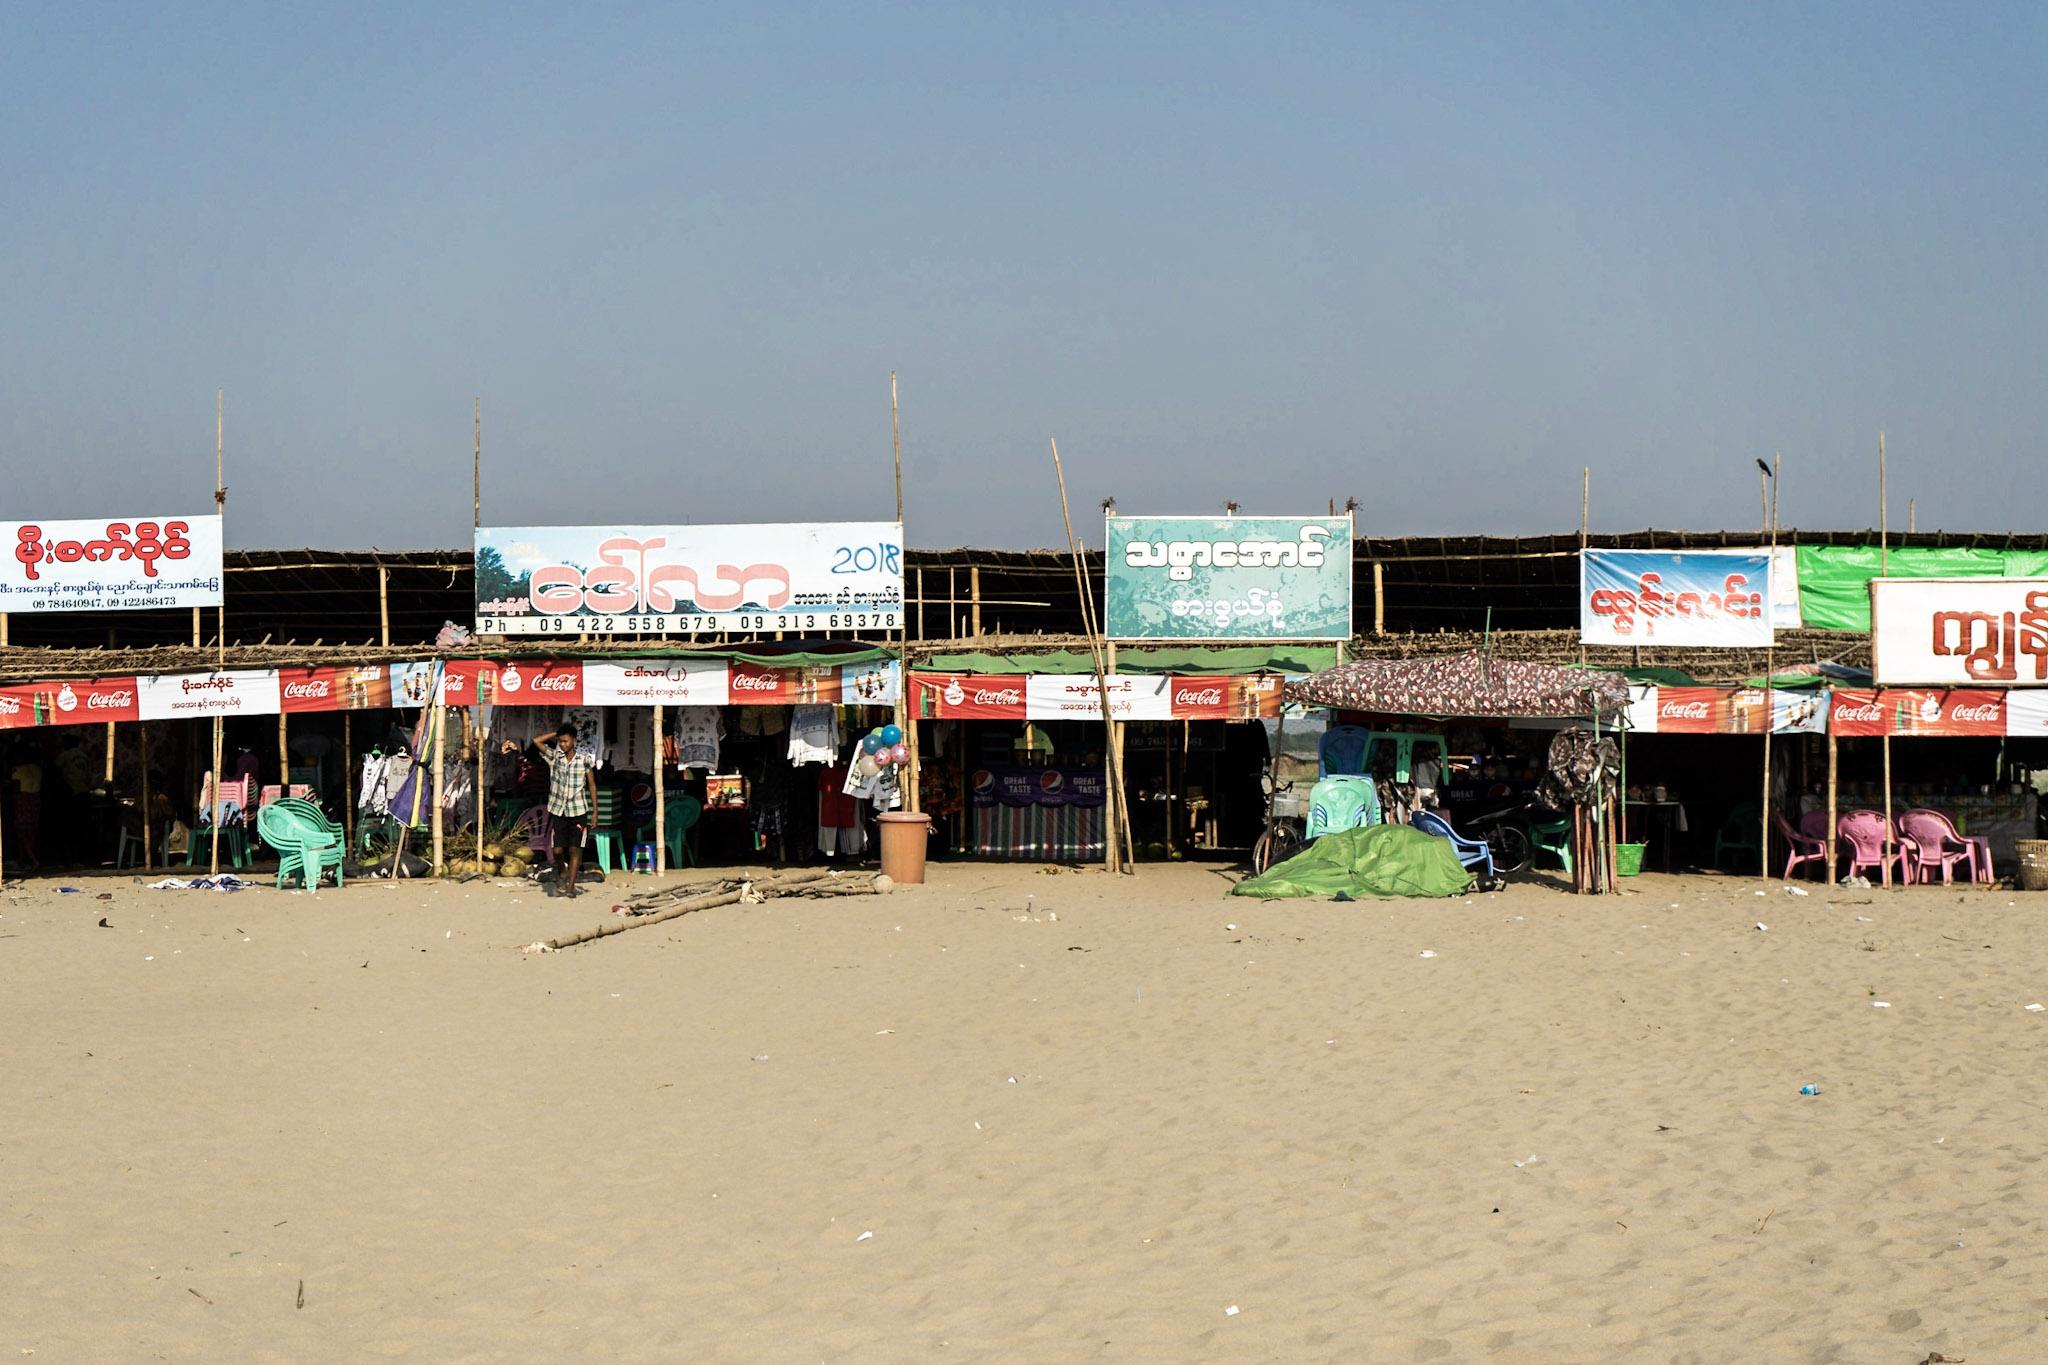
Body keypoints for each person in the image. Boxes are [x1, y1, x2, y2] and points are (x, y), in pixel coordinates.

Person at [503, 725, 596, 898]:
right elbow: (536, 741)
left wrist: (595, 812)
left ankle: (570, 887)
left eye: (566, 741)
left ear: (574, 741)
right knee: (558, 850)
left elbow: (591, 785)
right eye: (560, 741)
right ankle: (561, 870)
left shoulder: (584, 760)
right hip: (558, 810)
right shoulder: (555, 757)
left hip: (578, 811)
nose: (563, 744)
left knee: (575, 850)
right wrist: (557, 733)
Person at [9, 750, 44, 872]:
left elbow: (16, 788)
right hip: (35, 799)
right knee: (31, 830)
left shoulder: (17, 769)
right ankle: (22, 859)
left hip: (23, 800)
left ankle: (32, 859)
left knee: (21, 831)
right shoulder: (37, 769)